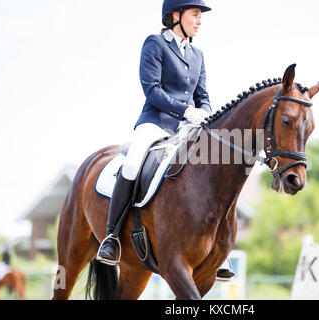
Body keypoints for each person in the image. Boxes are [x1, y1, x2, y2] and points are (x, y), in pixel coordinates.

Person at [96, 0, 234, 280]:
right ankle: (111, 237)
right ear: (175, 16)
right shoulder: (155, 44)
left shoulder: (198, 55)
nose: (199, 20)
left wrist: (204, 114)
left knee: (215, 167)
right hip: (155, 124)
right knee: (133, 165)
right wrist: (185, 111)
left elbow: (203, 97)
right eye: (195, 15)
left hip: (188, 128)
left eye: (199, 15)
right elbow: (152, 90)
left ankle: (220, 250)